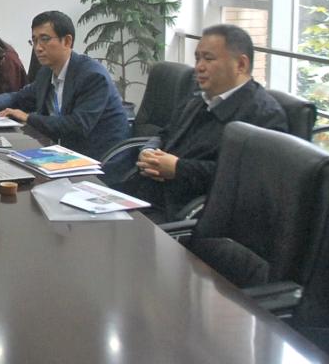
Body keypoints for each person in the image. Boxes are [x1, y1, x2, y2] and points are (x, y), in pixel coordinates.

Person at [115, 24, 288, 221]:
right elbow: (166, 134)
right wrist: (149, 150)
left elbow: (247, 182)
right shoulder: (198, 99)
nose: (199, 67)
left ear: (241, 64)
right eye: (197, 58)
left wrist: (178, 169)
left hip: (182, 213)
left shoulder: (263, 115)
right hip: (145, 195)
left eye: (209, 58)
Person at [0, 11, 129, 160]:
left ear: (67, 41)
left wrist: (28, 118)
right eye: (34, 40)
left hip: (100, 160)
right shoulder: (46, 72)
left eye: (44, 39)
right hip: (62, 153)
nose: (37, 48)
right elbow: (18, 97)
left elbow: (77, 126)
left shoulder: (92, 76)